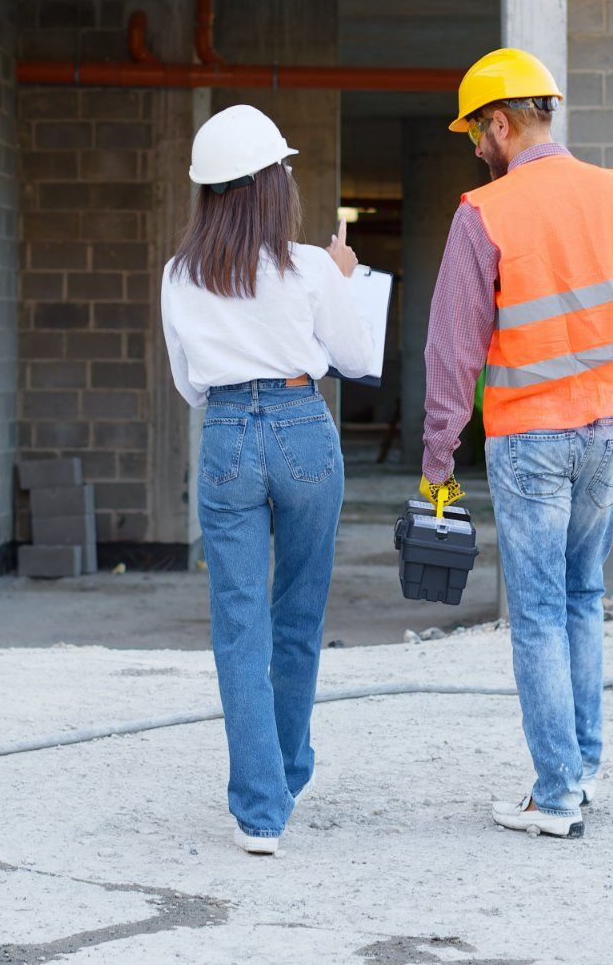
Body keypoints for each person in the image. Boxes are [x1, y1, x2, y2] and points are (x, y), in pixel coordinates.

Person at [418, 48, 613, 839]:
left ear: (503, 123)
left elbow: (452, 351)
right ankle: (581, 770)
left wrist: (437, 461)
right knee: (583, 595)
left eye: (477, 134)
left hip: (533, 440)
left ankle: (554, 797)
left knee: (541, 609)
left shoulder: (486, 213)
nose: (476, 150)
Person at [161, 104, 378, 857]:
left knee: (238, 625)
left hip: (225, 434)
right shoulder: (311, 266)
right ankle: (285, 772)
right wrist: (342, 278)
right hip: (300, 426)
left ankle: (260, 811)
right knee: (298, 613)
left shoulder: (179, 275)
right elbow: (354, 359)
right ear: (270, 184)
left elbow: (189, 384)